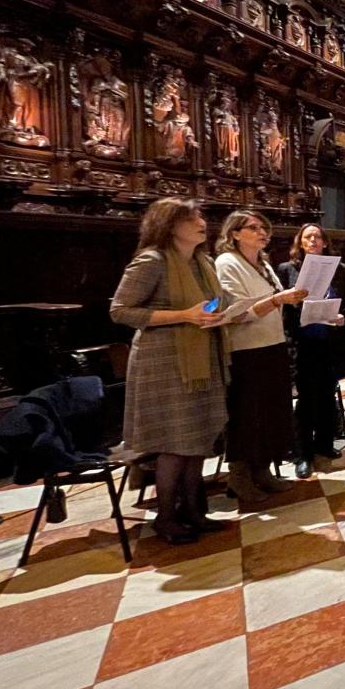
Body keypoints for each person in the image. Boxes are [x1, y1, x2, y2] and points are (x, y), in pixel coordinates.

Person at [110, 198, 229, 544]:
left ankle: (194, 510)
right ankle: (166, 516)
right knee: (174, 443)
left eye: (200, 215)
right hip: (163, 361)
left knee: (197, 437)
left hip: (201, 355)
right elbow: (120, 310)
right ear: (169, 224)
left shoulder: (202, 262)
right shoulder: (152, 261)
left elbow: (207, 305)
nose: (201, 222)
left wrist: (223, 314)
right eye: (191, 218)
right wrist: (184, 316)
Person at [215, 210, 308, 505]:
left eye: (263, 227)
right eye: (253, 227)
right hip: (245, 349)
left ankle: (263, 470)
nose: (261, 232)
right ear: (235, 233)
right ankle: (239, 476)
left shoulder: (264, 265)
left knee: (271, 411)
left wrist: (289, 299)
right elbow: (236, 312)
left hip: (273, 344)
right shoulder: (227, 263)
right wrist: (278, 299)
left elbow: (272, 303)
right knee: (248, 414)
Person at [278, 223, 345, 478]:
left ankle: (324, 444)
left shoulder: (340, 270)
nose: (313, 240)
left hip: (330, 341)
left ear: (324, 242)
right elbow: (283, 311)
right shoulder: (287, 270)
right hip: (302, 342)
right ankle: (303, 453)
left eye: (317, 236)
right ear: (300, 242)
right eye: (308, 237)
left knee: (326, 395)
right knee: (306, 399)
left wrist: (343, 316)